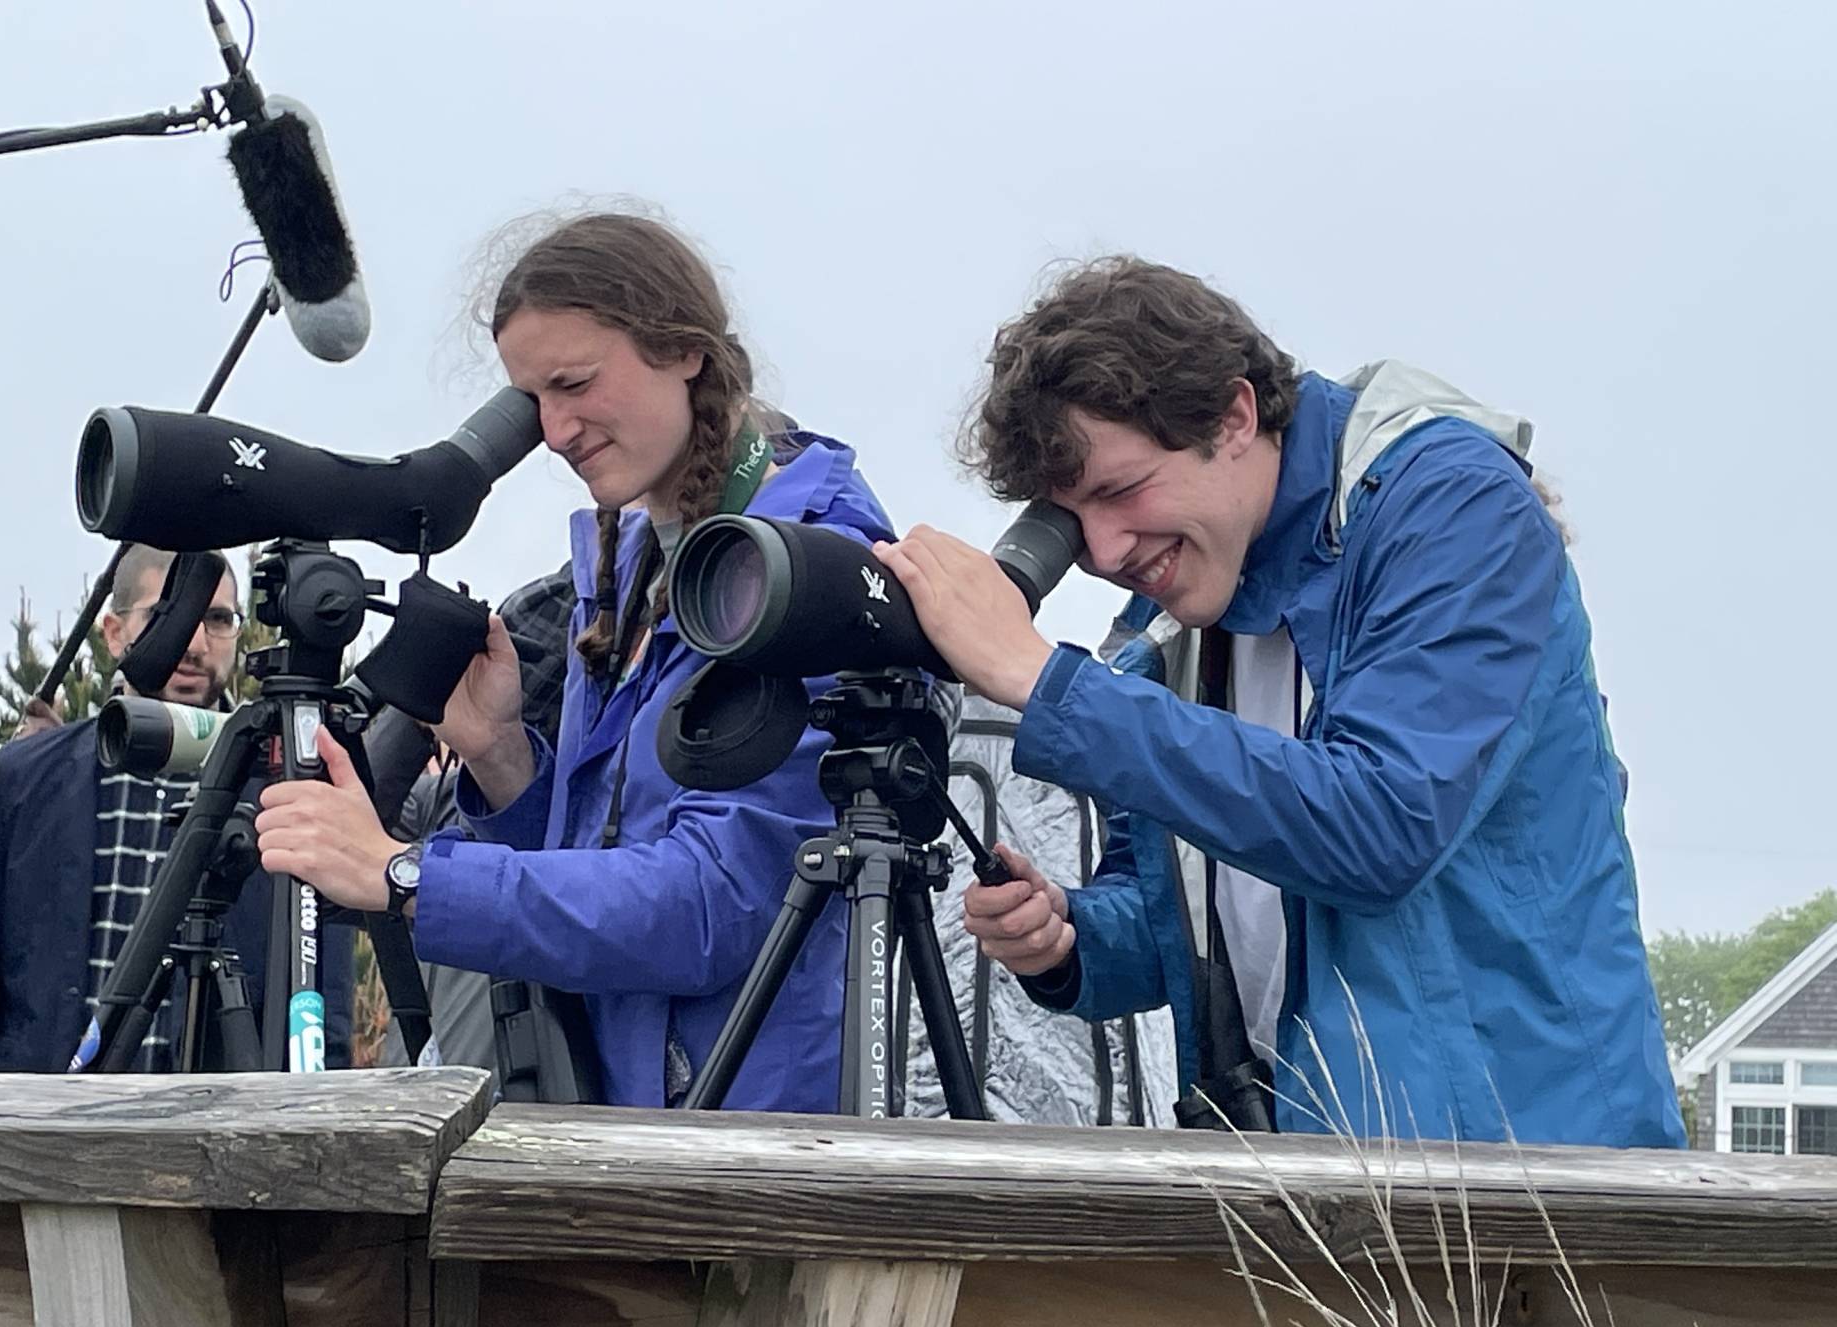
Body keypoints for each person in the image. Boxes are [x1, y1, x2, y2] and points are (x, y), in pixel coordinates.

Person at [876, 257, 1684, 1149]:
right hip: (1304, 1168)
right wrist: (1070, 940)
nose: (1104, 552)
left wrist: (1041, 679)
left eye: (1120, 491)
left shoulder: (1455, 509)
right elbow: (1199, 920)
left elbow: (1379, 828)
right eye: (1071, 521)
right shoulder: (1182, 609)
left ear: (1234, 416)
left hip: (1528, 1168)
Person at [256, 211, 897, 1112]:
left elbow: (710, 907)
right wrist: (503, 758)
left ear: (685, 350)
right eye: (532, 403)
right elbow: (601, 880)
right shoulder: (630, 563)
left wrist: (407, 875)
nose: (555, 432)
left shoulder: (814, 566)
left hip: (759, 1143)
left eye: (574, 384)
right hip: (626, 1119)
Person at [0, 544, 353, 1327]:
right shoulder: (25, 780)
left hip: (216, 1207)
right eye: (171, 614)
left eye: (219, 618)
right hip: (35, 1197)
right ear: (115, 631)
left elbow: (326, 1014)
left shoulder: (293, 794)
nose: (196, 639)